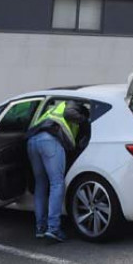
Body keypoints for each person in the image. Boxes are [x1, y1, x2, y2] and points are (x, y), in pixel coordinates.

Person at [25, 101, 90, 242]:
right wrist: (86, 121)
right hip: (50, 140)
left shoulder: (53, 109)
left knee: (41, 184)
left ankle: (40, 228)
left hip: (32, 141)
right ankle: (53, 228)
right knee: (57, 183)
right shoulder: (73, 104)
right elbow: (70, 114)